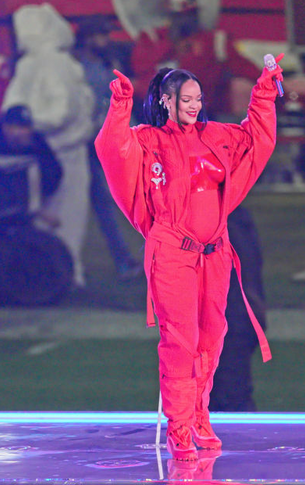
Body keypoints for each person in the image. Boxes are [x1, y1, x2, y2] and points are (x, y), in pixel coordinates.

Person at [94, 54, 283, 460]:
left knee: (212, 338)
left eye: (198, 99)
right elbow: (113, 149)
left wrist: (265, 92)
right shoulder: (149, 140)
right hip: (172, 252)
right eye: (186, 99)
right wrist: (120, 106)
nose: (195, 106)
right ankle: (179, 426)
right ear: (166, 100)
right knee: (181, 341)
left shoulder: (216, 136)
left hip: (214, 253)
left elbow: (256, 140)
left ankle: (199, 414)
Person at [2, 3, 96, 288]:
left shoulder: (52, 65)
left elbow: (62, 111)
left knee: (64, 215)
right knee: (51, 214)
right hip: (45, 152)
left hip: (61, 151)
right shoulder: (39, 64)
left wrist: (30, 124)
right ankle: (48, 272)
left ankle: (61, 272)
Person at [74, 15, 142, 280]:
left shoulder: (109, 63)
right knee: (103, 202)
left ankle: (149, 255)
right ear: (88, 38)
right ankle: (123, 260)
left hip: (116, 139)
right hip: (89, 142)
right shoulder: (76, 67)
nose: (106, 40)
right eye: (101, 35)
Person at [130, 0, 260, 121]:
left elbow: (246, 69)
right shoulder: (153, 39)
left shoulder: (214, 41)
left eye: (189, 15)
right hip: (159, 113)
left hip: (204, 112)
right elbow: (143, 75)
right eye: (178, 16)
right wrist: (171, 48)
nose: (183, 21)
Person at [210, 206, 265, 412]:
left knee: (230, 397)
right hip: (227, 321)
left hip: (229, 323)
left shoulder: (225, 218)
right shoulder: (230, 217)